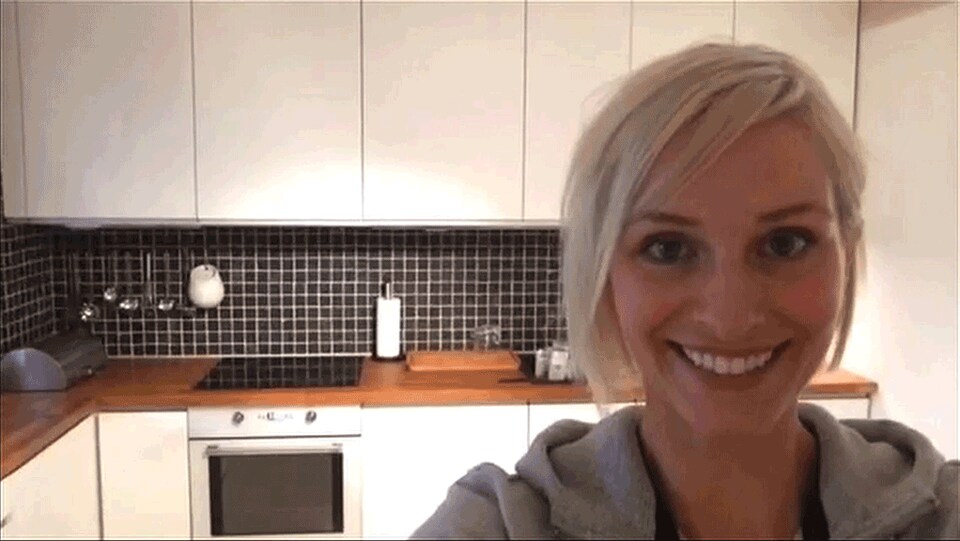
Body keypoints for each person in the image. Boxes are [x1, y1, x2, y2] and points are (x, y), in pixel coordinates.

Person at [411, 42, 959, 540]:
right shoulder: (500, 526)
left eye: (785, 243)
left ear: (846, 253)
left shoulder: (939, 517)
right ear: (603, 272)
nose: (729, 316)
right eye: (669, 249)